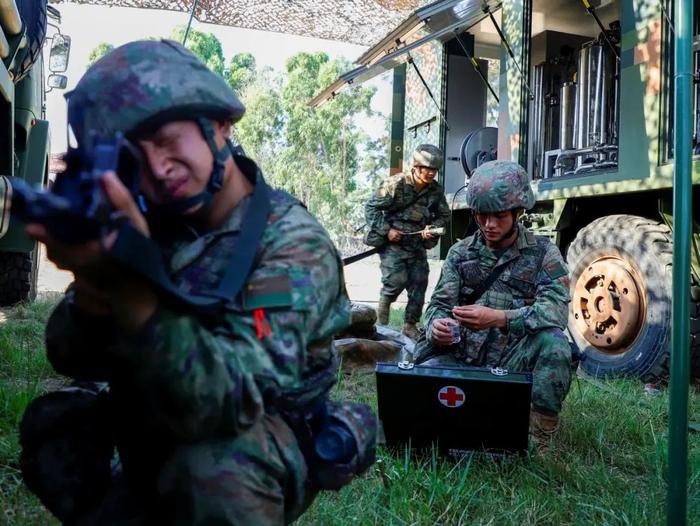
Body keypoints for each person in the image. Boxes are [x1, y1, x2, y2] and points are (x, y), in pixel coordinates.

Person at [18, 40, 375, 525]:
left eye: (167, 140)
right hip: (158, 415)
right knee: (59, 424)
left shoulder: (291, 245)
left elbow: (232, 398)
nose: (158, 168)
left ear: (220, 125)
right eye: (132, 158)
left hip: (251, 437)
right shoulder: (151, 220)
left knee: (212, 469)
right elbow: (68, 353)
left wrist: (134, 294)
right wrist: (94, 285)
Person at [415, 160, 573, 450]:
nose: (489, 225)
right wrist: (436, 325)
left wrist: (500, 318)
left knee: (555, 344)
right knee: (420, 365)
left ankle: (538, 437)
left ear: (518, 212)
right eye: (481, 215)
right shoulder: (460, 254)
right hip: (463, 358)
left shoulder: (543, 254)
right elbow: (437, 305)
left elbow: (556, 311)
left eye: (499, 216)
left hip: (513, 361)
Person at [364, 144, 450, 340]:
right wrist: (387, 231)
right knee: (396, 281)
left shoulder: (435, 191)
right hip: (393, 243)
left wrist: (432, 229)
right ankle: (384, 311)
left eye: (434, 170)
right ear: (416, 166)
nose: (430, 174)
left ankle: (410, 325)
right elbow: (371, 208)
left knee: (419, 282)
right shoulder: (396, 184)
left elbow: (444, 215)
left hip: (417, 243)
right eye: (427, 169)